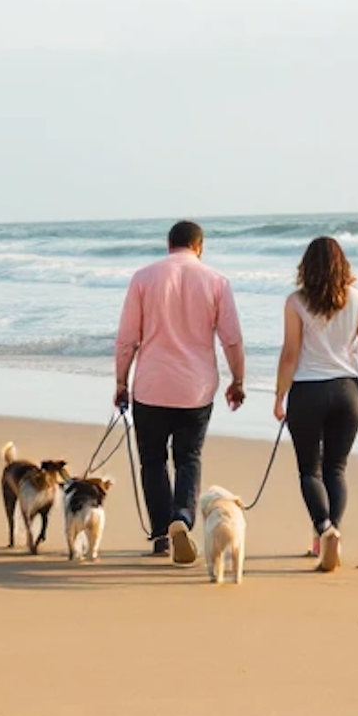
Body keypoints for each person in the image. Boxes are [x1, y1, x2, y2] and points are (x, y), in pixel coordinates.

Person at [114, 219, 246, 563]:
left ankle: (160, 535)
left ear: (168, 244)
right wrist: (238, 379)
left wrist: (120, 382)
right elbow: (231, 337)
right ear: (199, 246)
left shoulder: (143, 278)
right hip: (196, 389)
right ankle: (182, 518)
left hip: (151, 386)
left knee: (153, 461)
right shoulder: (216, 281)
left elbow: (128, 337)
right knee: (188, 458)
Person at [273, 235, 358, 573]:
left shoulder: (296, 302)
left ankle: (323, 528)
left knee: (310, 469)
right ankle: (331, 534)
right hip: (348, 392)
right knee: (336, 468)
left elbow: (290, 354)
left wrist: (279, 396)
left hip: (307, 391)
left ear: (307, 267)